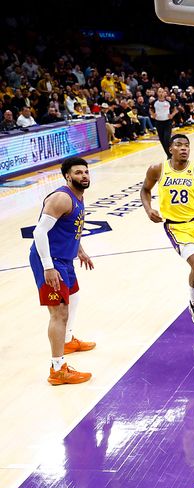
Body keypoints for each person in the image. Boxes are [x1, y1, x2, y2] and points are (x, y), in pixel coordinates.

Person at [140, 134, 194, 327]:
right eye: (179, 145)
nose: (184, 148)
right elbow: (145, 190)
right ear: (171, 149)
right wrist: (148, 209)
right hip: (177, 227)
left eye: (187, 145)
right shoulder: (157, 169)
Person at [29, 157, 96, 385]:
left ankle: (67, 340)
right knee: (59, 313)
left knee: (74, 296)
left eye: (86, 172)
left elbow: (69, 228)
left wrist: (80, 250)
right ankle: (57, 370)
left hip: (65, 258)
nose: (84, 176)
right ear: (67, 176)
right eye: (78, 173)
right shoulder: (61, 198)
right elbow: (39, 233)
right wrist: (48, 266)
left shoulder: (78, 195)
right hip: (50, 260)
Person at [151, 87, 175, 157]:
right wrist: (152, 114)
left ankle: (171, 154)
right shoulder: (154, 102)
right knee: (162, 141)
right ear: (157, 93)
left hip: (167, 123)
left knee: (166, 139)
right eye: (159, 92)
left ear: (164, 93)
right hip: (158, 123)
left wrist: (172, 115)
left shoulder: (168, 102)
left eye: (162, 92)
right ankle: (169, 155)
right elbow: (150, 109)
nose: (161, 93)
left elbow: (175, 109)